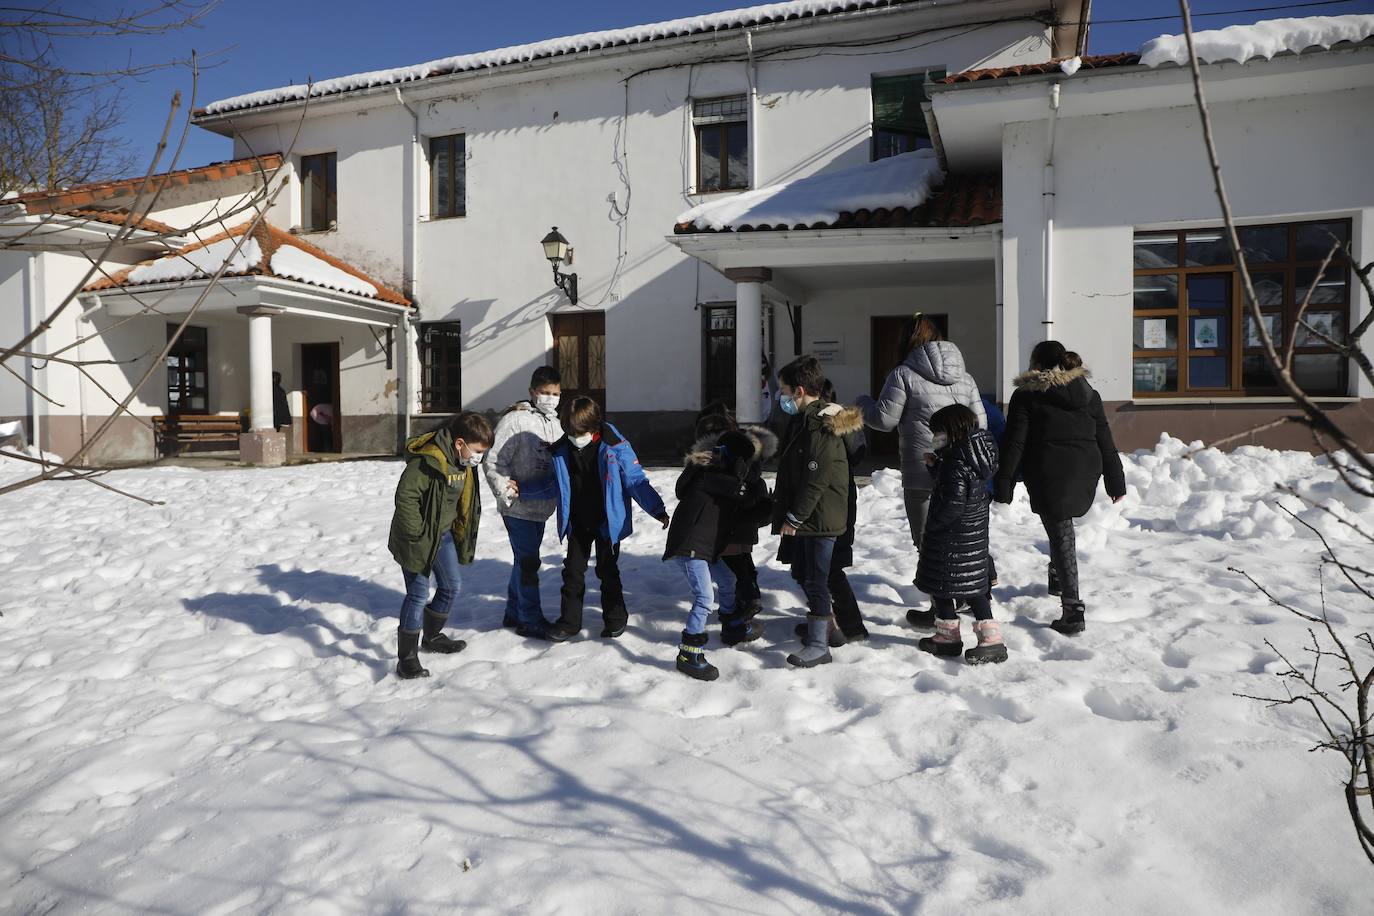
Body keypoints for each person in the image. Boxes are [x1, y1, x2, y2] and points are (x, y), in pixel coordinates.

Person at [993, 340, 1126, 636]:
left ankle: (1072, 608)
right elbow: (1106, 440)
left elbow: (1015, 443)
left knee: (1061, 531)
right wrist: (1115, 480)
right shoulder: (1089, 395)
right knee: (1060, 527)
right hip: (1084, 470)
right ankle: (1058, 577)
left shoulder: (1027, 396)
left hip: (1048, 472)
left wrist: (1004, 482)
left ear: (1036, 364)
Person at [856, 313, 985, 582]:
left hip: (920, 469)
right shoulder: (966, 378)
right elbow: (980, 425)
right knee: (961, 539)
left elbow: (883, 420)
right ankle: (968, 594)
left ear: (906, 342)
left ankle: (941, 607)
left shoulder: (903, 373)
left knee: (926, 542)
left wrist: (863, 404)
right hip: (962, 469)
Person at [544, 397, 669, 641]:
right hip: (578, 520)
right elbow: (550, 483)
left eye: (578, 432)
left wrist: (657, 509)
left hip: (606, 521)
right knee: (572, 572)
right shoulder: (562, 449)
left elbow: (635, 480)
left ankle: (615, 618)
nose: (573, 437)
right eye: (569, 431)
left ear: (593, 427)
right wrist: (521, 490)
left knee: (607, 570)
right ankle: (569, 622)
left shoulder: (615, 446)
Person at [386, 411, 494, 679]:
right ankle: (407, 659)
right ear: (460, 443)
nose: (479, 457)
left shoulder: (464, 463)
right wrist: (414, 533)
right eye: (478, 451)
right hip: (418, 538)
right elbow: (406, 496)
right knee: (418, 594)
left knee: (451, 586)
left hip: (442, 534)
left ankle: (432, 637)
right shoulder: (428, 461)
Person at [772, 355, 858, 668]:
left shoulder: (819, 423)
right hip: (816, 514)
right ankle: (826, 629)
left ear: (798, 390)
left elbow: (816, 477)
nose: (781, 397)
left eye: (783, 390)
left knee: (816, 579)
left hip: (819, 516)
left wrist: (795, 517)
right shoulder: (809, 418)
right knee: (809, 575)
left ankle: (820, 644)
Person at [663, 429, 764, 680]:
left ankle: (732, 626)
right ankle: (689, 651)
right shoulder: (710, 474)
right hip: (690, 546)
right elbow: (739, 490)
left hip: (706, 546)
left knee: (728, 580)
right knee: (705, 598)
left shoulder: (716, 474)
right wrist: (751, 484)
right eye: (745, 460)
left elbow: (744, 506)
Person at [914, 404, 1007, 664]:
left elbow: (953, 503)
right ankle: (990, 637)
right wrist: (937, 468)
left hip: (950, 539)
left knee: (942, 587)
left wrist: (934, 526)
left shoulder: (955, 463)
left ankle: (948, 637)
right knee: (975, 588)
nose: (935, 437)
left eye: (938, 432)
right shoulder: (973, 456)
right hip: (971, 539)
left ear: (951, 431)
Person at [482, 366, 564, 639]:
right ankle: (530, 619)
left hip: (541, 505)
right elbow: (493, 459)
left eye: (555, 393)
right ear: (532, 392)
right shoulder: (515, 421)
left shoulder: (554, 422)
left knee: (522, 560)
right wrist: (504, 489)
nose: (550, 398)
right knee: (529, 562)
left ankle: (513, 611)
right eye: (544, 393)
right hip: (518, 506)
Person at [789, 378, 868, 644]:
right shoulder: (812, 422)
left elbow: (850, 457)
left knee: (827, 571)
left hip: (831, 506)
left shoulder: (831, 426)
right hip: (821, 507)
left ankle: (849, 626)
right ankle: (825, 620)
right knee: (807, 570)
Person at [692, 403, 776, 641]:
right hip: (742, 523)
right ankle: (744, 610)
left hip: (725, 525)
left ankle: (741, 614)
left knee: (735, 569)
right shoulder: (742, 450)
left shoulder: (713, 458)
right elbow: (753, 481)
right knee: (742, 567)